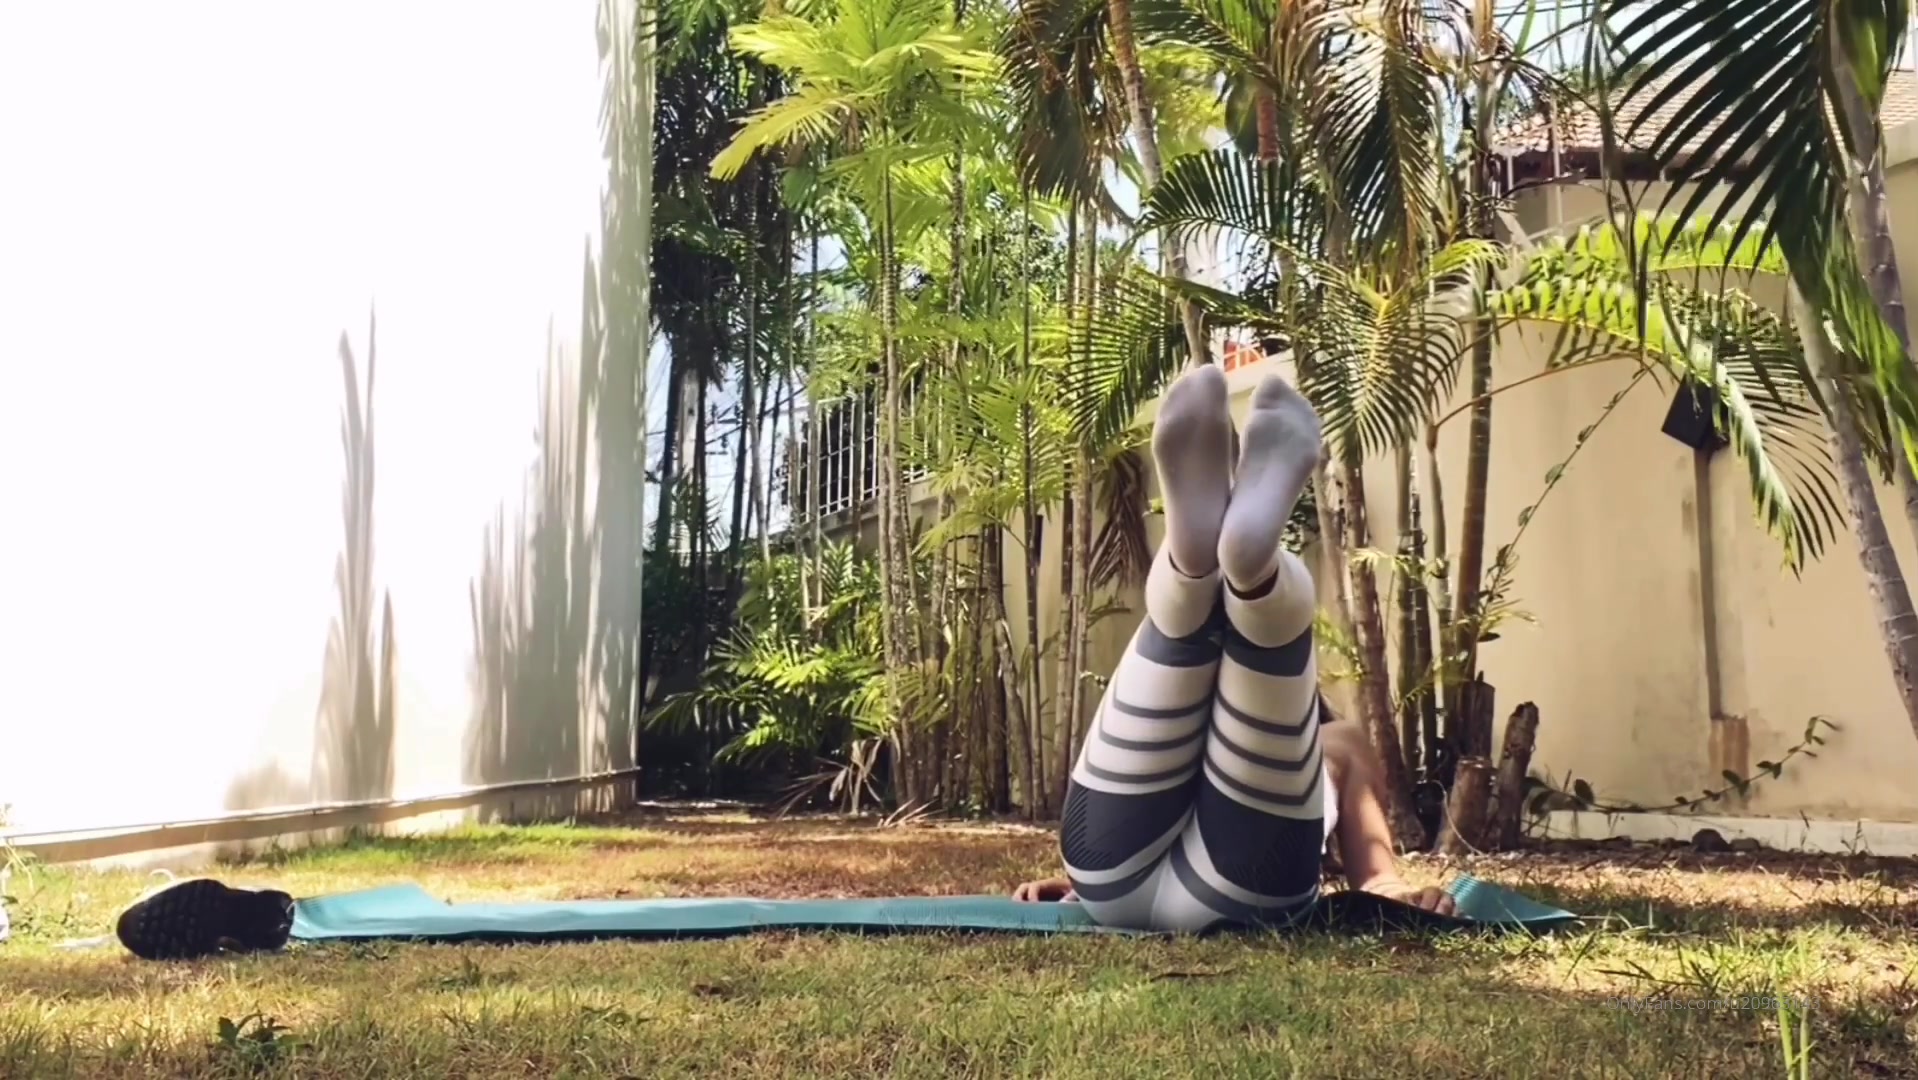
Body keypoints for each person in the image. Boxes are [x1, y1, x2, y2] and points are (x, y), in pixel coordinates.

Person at [1011, 366, 1454, 930]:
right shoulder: (1340, 743)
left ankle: (1190, 571)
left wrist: (1396, 892)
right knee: (1219, 638)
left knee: (1179, 636)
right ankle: (1251, 580)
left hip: (1109, 876)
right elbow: (1375, 874)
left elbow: (1379, 883)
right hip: (1239, 890)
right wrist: (1389, 888)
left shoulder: (1335, 741)